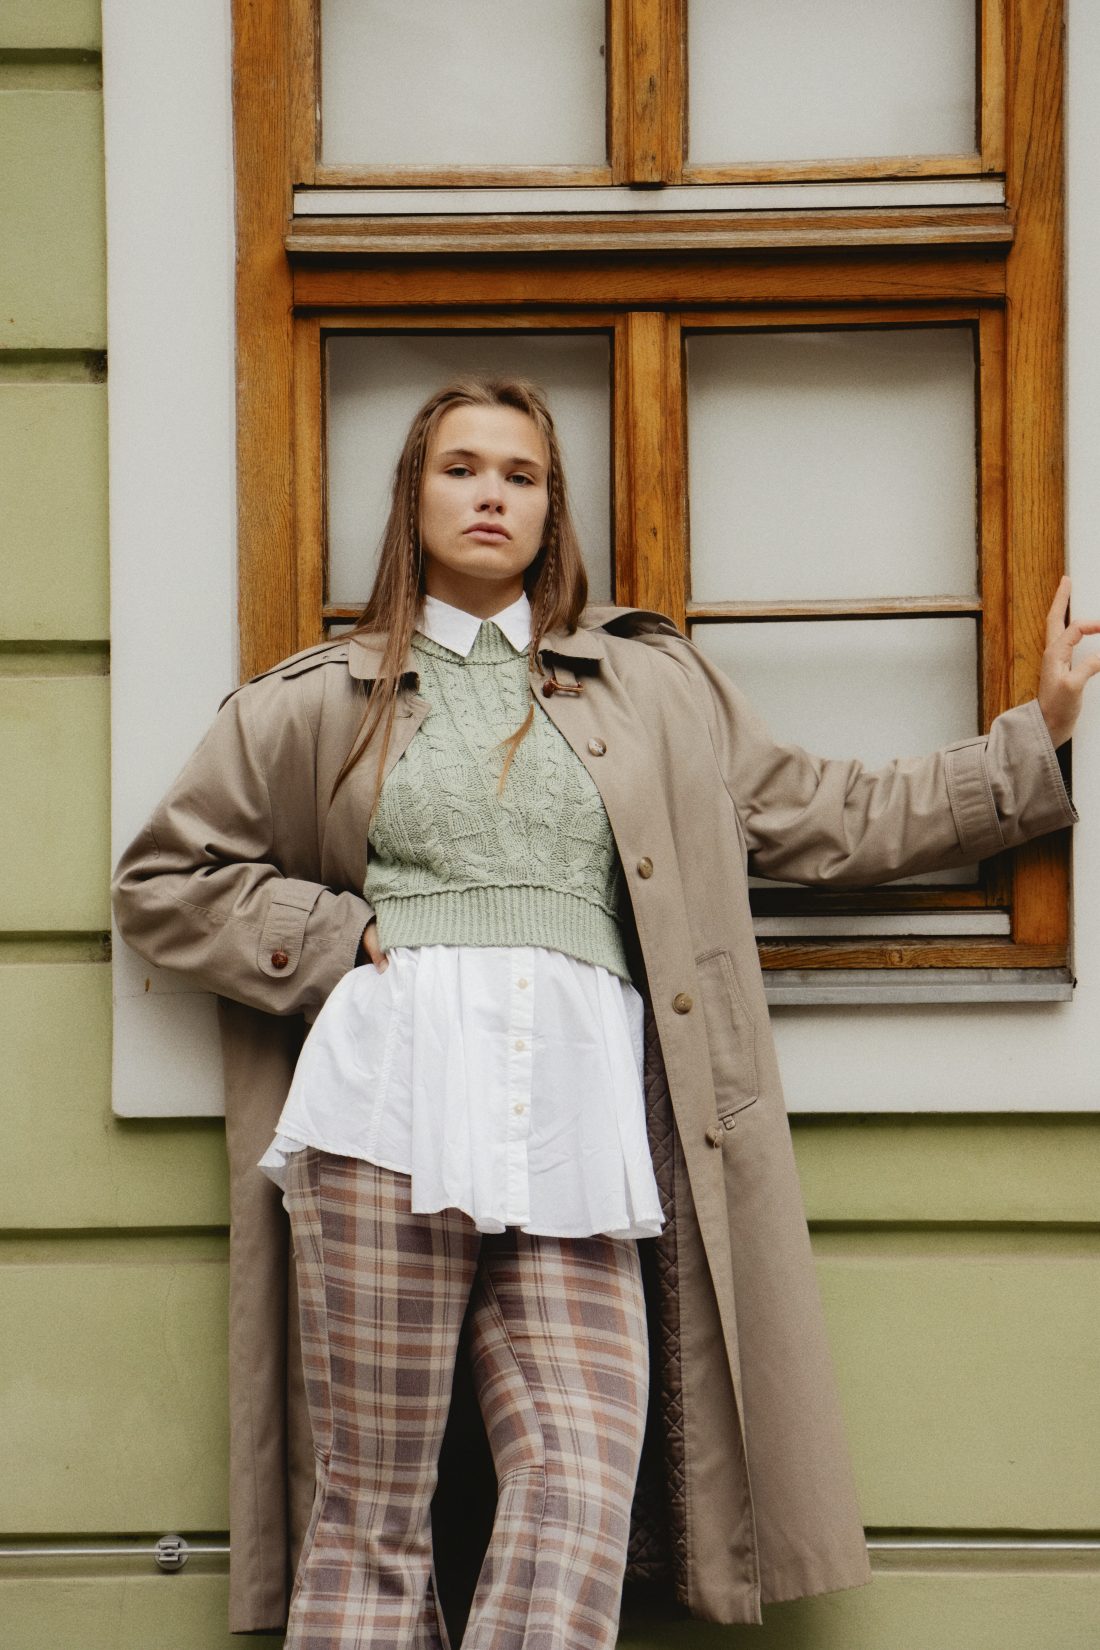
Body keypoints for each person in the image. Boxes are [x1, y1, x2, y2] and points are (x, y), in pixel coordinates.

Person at [112, 376, 1097, 1647]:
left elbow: (823, 812)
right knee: (370, 1514)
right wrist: (335, 935)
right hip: (386, 1109)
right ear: (413, 500)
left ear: (550, 512)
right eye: (462, 468)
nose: (490, 495)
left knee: (580, 1484)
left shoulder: (648, 691)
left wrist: (1036, 742)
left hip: (577, 1127)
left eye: (520, 476)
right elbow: (162, 881)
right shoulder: (314, 699)